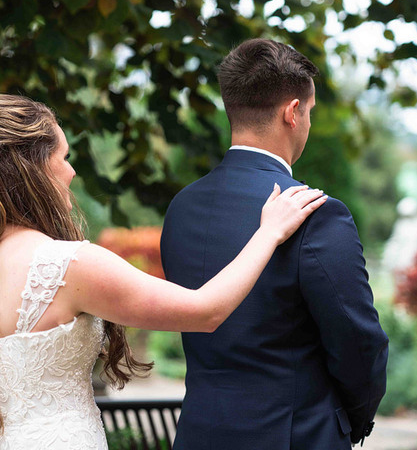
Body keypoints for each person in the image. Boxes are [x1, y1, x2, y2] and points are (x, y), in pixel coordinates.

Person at [0, 94, 327, 449]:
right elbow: (206, 311)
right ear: (35, 167)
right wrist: (269, 232)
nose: (71, 172)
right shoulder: (68, 265)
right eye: (65, 156)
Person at [160, 38, 389, 450]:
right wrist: (348, 422)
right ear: (293, 112)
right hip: (296, 435)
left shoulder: (182, 207)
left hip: (198, 433)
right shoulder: (316, 212)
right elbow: (359, 343)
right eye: (311, 112)